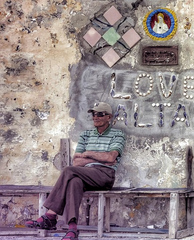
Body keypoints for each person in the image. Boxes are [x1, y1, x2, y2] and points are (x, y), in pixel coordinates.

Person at [26, 102, 125, 240]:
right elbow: (77, 162)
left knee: (68, 171)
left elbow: (111, 157)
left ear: (108, 117)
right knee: (74, 182)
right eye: (94, 114)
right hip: (84, 173)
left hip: (105, 175)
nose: (96, 117)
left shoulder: (117, 134)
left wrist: (88, 153)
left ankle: (50, 215)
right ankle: (72, 229)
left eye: (100, 114)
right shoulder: (86, 135)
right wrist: (98, 158)